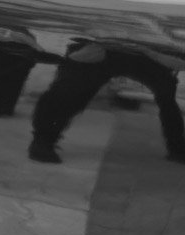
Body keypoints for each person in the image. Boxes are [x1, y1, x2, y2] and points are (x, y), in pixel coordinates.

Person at [29, 42, 185, 164]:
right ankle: (42, 142)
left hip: (146, 54)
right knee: (67, 95)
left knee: (167, 99)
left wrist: (153, 54)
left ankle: (42, 142)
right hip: (102, 49)